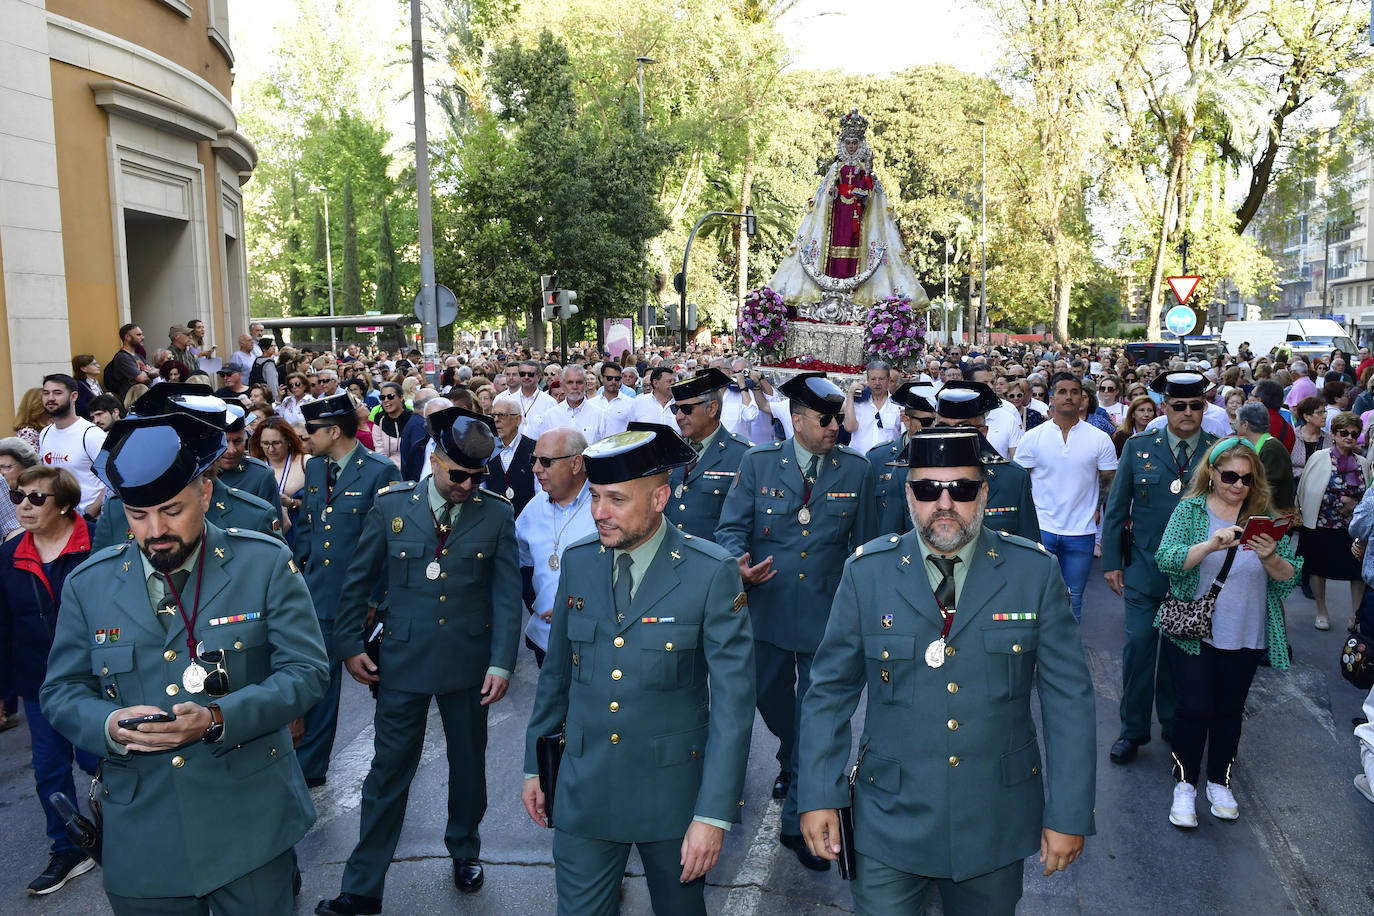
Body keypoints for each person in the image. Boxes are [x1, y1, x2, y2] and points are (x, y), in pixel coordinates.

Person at [40, 409, 329, 914]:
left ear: (207, 495)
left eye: (172, 510)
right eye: (137, 515)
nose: (155, 531)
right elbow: (61, 691)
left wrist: (219, 718)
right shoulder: (89, 585)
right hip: (142, 834)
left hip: (250, 822)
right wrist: (108, 724)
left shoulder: (262, 564)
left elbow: (306, 672)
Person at [798, 427, 1095, 915]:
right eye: (927, 489)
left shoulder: (1032, 573)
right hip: (890, 817)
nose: (944, 503)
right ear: (907, 494)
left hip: (993, 818)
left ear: (984, 493)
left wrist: (1069, 812)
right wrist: (817, 793)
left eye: (961, 489)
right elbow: (828, 692)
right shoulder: (867, 574)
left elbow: (1070, 701)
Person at [520, 424, 756, 916]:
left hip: (671, 800)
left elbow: (734, 706)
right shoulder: (582, 562)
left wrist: (713, 814)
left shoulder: (709, 572)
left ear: (660, 498)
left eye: (616, 500)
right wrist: (533, 765)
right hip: (584, 790)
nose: (599, 514)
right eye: (596, 498)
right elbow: (557, 674)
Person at [317, 408, 520, 916]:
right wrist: (349, 644)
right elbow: (358, 579)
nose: (468, 485)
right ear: (434, 461)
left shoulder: (495, 514)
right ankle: (362, 886)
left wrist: (501, 663)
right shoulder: (392, 506)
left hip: (468, 663)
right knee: (387, 772)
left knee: (469, 764)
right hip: (402, 662)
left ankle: (465, 849)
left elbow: (505, 596)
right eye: (459, 474)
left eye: (478, 477)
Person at [714, 371, 876, 869]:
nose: (836, 427)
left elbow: (867, 547)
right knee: (771, 702)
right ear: (798, 419)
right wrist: (737, 565)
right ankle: (792, 753)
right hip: (767, 611)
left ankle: (801, 817)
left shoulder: (856, 469)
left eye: (838, 418)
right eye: (825, 419)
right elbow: (730, 530)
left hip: (829, 617)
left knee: (818, 717)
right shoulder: (759, 463)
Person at [1155, 438, 1299, 828]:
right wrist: (1209, 545)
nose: (1238, 485)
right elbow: (1167, 559)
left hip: (1247, 633)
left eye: (1247, 479)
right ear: (1212, 473)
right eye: (1230, 475)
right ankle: (1185, 786)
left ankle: (1219, 781)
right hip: (1194, 630)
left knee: (1229, 710)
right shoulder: (1190, 510)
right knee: (1194, 708)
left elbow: (1288, 580)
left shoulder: (1265, 518)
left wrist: (1270, 556)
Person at [1101, 371, 1218, 764]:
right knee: (1138, 648)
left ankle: (1172, 722)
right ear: (1164, 408)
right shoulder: (1138, 448)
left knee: (1179, 651)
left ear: (1204, 407)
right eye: (1179, 406)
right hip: (1144, 566)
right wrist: (1113, 563)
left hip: (1194, 570)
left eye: (1196, 405)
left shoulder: (1218, 452)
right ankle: (1133, 730)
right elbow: (1117, 509)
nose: (1187, 413)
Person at [292, 393, 401, 789]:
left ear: (334, 431)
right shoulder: (317, 467)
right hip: (319, 595)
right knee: (319, 684)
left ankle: (389, 766)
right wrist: (298, 579)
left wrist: (375, 599)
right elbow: (308, 528)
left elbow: (391, 544)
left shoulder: (379, 471)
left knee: (380, 687)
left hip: (361, 603)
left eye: (313, 431)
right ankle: (311, 767)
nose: (306, 438)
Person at [0, 466, 100, 895]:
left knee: (101, 762)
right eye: (18, 497)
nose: (24, 505)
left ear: (63, 504)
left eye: (36, 498)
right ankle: (69, 847)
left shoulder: (97, 544)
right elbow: (2, 627)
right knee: (48, 769)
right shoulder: (7, 556)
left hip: (96, 680)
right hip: (38, 682)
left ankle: (130, 835)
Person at [1014, 372, 1117, 622]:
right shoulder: (1032, 438)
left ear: (1083, 398)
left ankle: (1069, 657)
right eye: (1062, 392)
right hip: (1042, 530)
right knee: (1039, 597)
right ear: (1052, 398)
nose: (1068, 397)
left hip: (1081, 533)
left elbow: (1109, 482)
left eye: (1074, 392)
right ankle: (1039, 657)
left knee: (1075, 598)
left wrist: (1096, 507)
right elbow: (1018, 482)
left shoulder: (1099, 438)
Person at [516, 427, 595, 666]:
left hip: (592, 642)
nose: (535, 469)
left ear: (575, 464)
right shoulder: (534, 507)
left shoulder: (605, 505)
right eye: (534, 460)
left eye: (546, 461)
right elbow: (520, 562)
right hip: (545, 640)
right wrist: (538, 604)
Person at [932, 382, 1040, 542]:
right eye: (943, 427)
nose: (952, 435)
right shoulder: (912, 475)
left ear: (983, 432)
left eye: (963, 428)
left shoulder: (1013, 477)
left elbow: (1029, 545)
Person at [1297, 411, 1370, 631]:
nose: (1349, 437)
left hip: (1352, 529)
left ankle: (1356, 616)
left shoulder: (1363, 462)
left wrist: (1355, 506)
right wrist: (1341, 500)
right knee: (1318, 568)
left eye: (1354, 433)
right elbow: (1307, 491)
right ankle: (1322, 611)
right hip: (1321, 524)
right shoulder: (1319, 457)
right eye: (1344, 432)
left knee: (1356, 573)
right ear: (1334, 434)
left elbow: (1369, 496)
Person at [665, 368, 753, 540]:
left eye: (687, 409)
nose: (679, 417)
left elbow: (744, 524)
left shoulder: (743, 455)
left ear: (712, 409)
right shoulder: (670, 450)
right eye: (676, 410)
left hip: (714, 559)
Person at [868, 381, 937, 535]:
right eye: (926, 422)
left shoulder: (948, 459)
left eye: (937, 421)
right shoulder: (878, 458)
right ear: (906, 420)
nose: (933, 428)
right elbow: (867, 517)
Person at [37, 374, 107, 519]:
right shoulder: (44, 434)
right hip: (59, 518)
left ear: (73, 396)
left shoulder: (91, 435)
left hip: (93, 521)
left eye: (57, 393)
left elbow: (113, 479)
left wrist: (91, 512)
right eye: (46, 393)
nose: (50, 398)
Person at [252, 417, 310, 537]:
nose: (271, 449)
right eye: (265, 444)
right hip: (264, 532)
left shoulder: (306, 462)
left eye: (276, 443)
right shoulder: (255, 464)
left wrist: (293, 503)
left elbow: (320, 503)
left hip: (299, 532)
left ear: (289, 441)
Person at [1234, 402, 1296, 514]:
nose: (1235, 424)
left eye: (1237, 421)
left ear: (1245, 425)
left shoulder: (1271, 449)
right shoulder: (1261, 446)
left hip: (1275, 516)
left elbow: (1266, 489)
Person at [217, 405, 281, 510]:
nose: (231, 450)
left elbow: (274, 523)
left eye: (238, 441)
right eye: (224, 442)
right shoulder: (197, 475)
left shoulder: (260, 476)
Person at [482, 400, 537, 517]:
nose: (496, 420)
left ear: (518, 420)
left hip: (527, 520)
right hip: (494, 520)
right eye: (493, 415)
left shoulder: (534, 449)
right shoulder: (485, 450)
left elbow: (540, 492)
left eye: (502, 415)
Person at [532, 365, 607, 443]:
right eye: (570, 382)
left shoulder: (600, 415)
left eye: (579, 382)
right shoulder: (551, 415)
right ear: (562, 385)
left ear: (585, 384)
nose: (575, 387)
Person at [843, 361, 900, 454]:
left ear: (889, 380)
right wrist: (850, 394)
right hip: (859, 459)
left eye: (881, 379)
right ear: (867, 380)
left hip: (887, 460)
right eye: (873, 379)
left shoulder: (897, 404)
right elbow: (849, 427)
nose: (877, 383)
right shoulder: (857, 401)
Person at [496, 359, 557, 438]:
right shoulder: (508, 401)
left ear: (538, 377)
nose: (526, 377)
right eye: (522, 374)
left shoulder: (550, 402)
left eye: (530, 374)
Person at [371, 381, 414, 468]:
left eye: (390, 396)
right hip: (389, 469)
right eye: (382, 397)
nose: (386, 400)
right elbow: (380, 452)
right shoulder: (379, 421)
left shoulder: (413, 420)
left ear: (401, 397)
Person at [103, 324, 151, 401]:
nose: (143, 337)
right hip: (131, 402)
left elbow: (154, 372)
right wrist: (148, 373)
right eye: (139, 335)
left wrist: (146, 374)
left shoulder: (138, 356)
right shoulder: (123, 357)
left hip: (143, 398)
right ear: (127, 337)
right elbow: (142, 378)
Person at [1289, 395, 1328, 478]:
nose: (1324, 416)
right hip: (1297, 484)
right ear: (1306, 417)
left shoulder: (1328, 438)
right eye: (1319, 413)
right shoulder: (1293, 436)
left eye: (1324, 412)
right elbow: (1286, 466)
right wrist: (1307, 473)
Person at [593, 361, 634, 436]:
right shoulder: (591, 404)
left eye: (617, 379)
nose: (613, 381)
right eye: (609, 378)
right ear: (601, 378)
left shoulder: (631, 404)